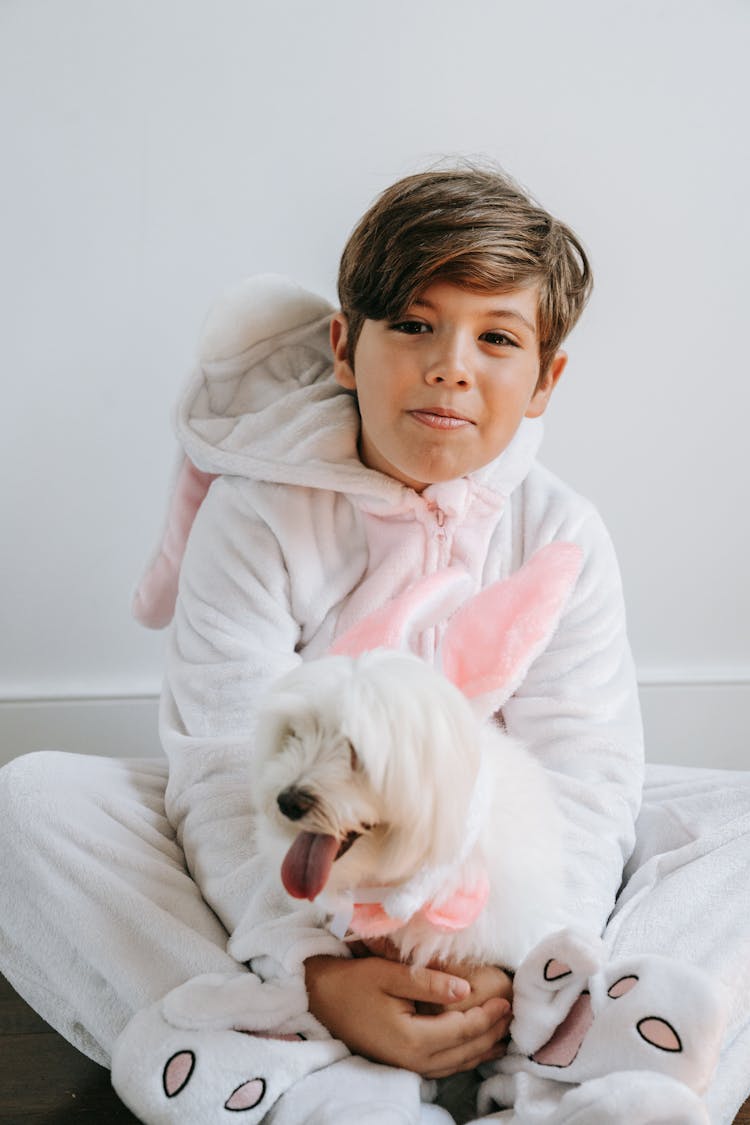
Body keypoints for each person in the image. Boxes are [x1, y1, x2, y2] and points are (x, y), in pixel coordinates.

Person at [1, 166, 748, 1124]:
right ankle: (300, 1063)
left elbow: (585, 771)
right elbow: (226, 758)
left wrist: (518, 957)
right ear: (345, 348)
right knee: (31, 803)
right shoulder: (257, 511)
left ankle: (569, 1060)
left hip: (504, 893)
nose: (451, 366)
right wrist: (310, 965)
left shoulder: (561, 533)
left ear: (545, 380)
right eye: (414, 325)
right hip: (306, 872)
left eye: (497, 339)